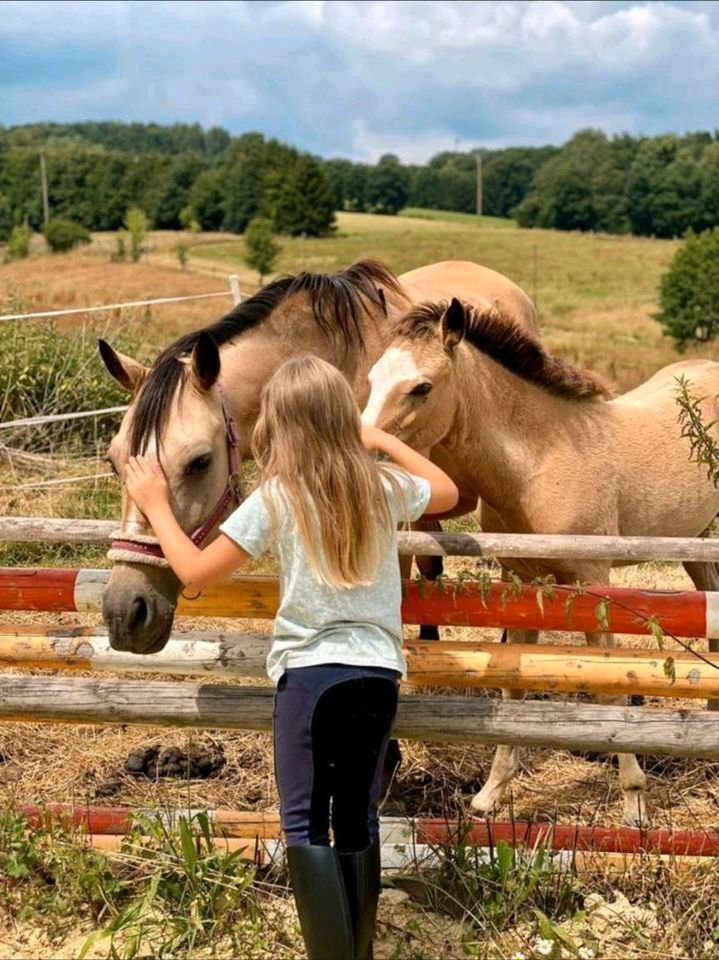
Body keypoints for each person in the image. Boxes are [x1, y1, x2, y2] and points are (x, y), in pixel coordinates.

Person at [125, 355, 459, 960]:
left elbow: (195, 568)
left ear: (277, 422)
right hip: (378, 675)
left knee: (305, 825)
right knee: (357, 819)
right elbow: (449, 492)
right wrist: (378, 437)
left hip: (310, 679)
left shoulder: (278, 496)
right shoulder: (380, 487)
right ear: (341, 417)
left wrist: (154, 504)